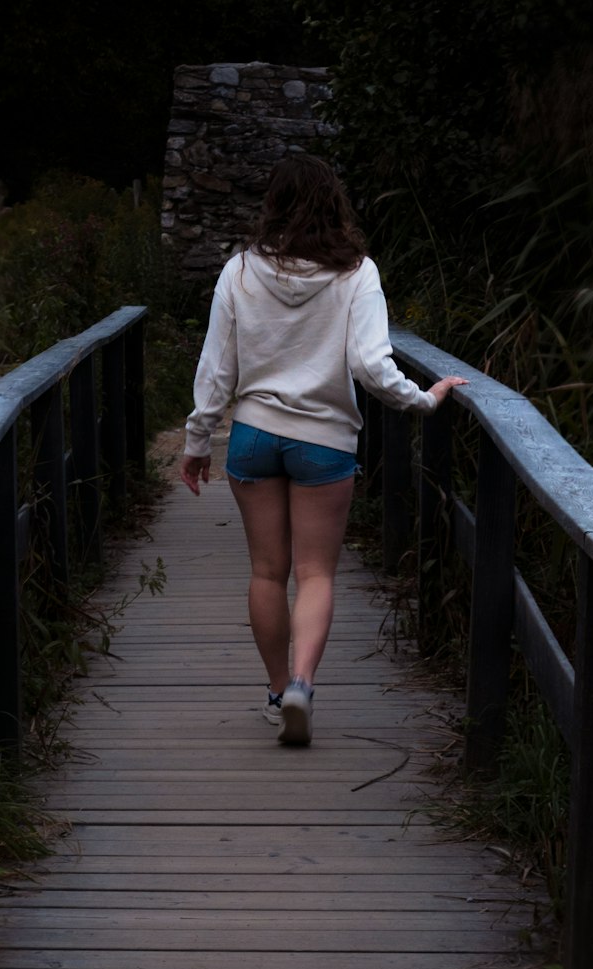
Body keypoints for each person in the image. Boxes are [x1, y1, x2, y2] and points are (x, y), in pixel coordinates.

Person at [180, 153, 467, 746]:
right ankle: (302, 688)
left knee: (266, 571)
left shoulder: (238, 271)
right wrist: (424, 400)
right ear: (333, 203)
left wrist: (197, 440)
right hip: (325, 441)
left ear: (273, 205)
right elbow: (369, 363)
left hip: (255, 436)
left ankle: (274, 688)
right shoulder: (357, 273)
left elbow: (217, 369)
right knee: (314, 573)